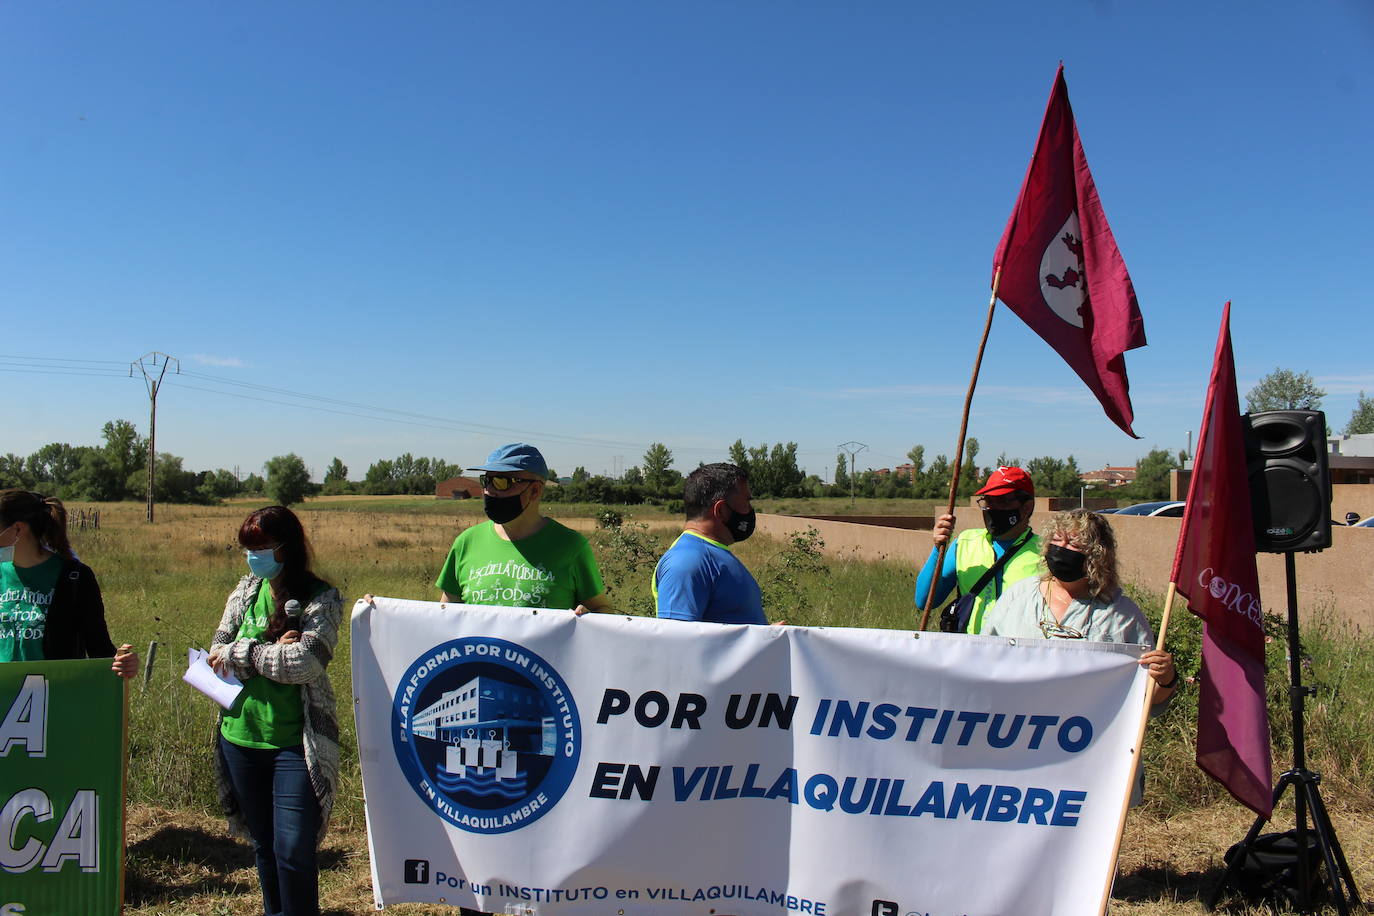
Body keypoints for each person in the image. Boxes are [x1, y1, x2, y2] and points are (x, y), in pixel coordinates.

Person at [981, 509, 1177, 804]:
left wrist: (1165, 678)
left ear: (1096, 555)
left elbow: (1148, 698)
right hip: (1018, 746)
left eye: (1074, 544)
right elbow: (981, 664)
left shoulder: (1122, 618)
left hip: (1087, 752)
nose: (1062, 549)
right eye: (1057, 540)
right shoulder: (1017, 598)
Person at [209, 506, 343, 916]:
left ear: (288, 548)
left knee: (293, 849)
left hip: (293, 744)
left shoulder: (321, 598)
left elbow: (305, 663)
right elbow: (216, 650)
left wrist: (242, 654)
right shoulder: (245, 591)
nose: (253, 557)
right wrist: (266, 652)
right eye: (247, 549)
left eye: (262, 548)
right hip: (239, 737)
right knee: (264, 845)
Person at [437, 443, 610, 614]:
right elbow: (445, 613)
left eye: (501, 482)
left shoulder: (571, 546)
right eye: (486, 481)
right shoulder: (466, 542)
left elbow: (602, 610)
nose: (489, 491)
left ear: (535, 490)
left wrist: (589, 618)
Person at [0, 489, 136, 676]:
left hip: (55, 698)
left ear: (18, 529)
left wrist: (123, 664)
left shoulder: (75, 578)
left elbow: (99, 650)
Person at [915, 466, 1043, 634]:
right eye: (988, 501)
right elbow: (924, 601)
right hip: (971, 653)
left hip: (1019, 655)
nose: (993, 508)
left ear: (1026, 507)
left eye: (1003, 500)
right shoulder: (964, 544)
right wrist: (937, 548)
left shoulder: (1045, 552)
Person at [654, 462, 766, 624]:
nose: (750, 509)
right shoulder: (687, 561)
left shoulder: (708, 554)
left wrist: (765, 633)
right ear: (720, 510)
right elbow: (677, 642)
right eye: (746, 501)